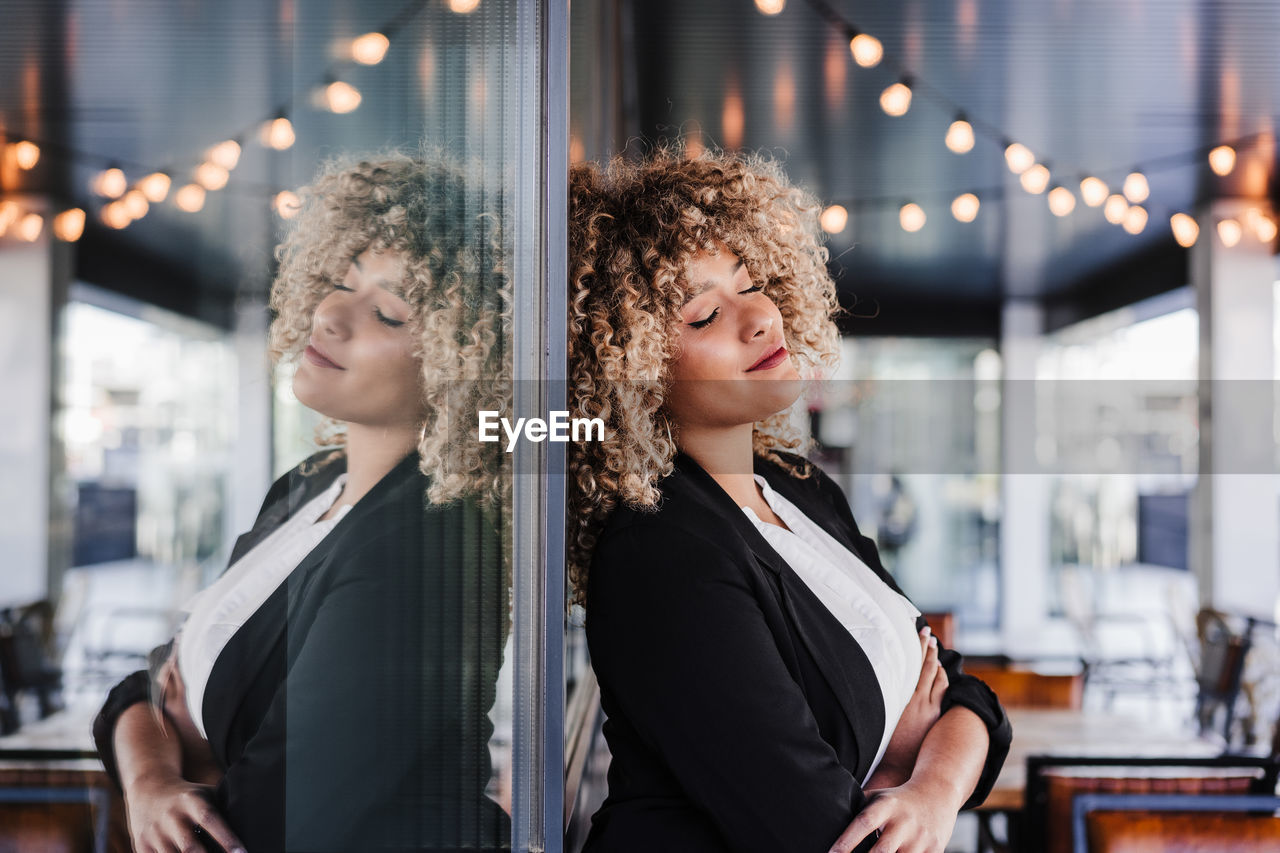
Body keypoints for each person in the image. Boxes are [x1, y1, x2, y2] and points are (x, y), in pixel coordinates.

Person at [567, 149, 1012, 853]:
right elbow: (827, 837)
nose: (759, 318)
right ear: (630, 367)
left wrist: (925, 789)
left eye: (750, 284)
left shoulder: (802, 490)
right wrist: (899, 757)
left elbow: (968, 695)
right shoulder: (661, 553)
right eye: (706, 314)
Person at [92, 153, 512, 852]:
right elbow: (140, 683)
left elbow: (259, 822)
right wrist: (155, 779)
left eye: (386, 310)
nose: (329, 313)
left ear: (462, 360)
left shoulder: (427, 545)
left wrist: (173, 737)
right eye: (341, 283)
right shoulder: (308, 485)